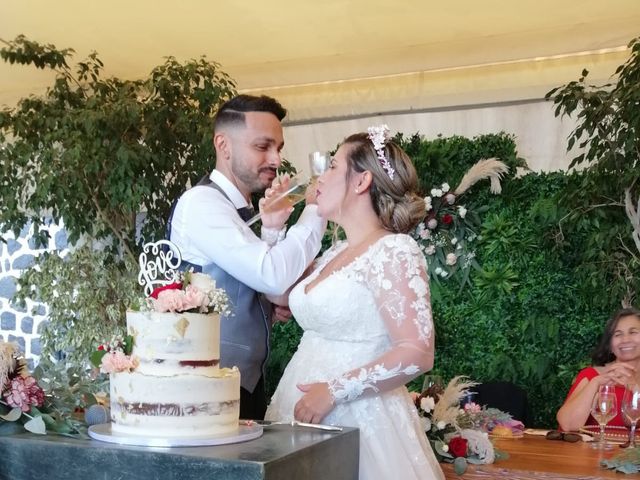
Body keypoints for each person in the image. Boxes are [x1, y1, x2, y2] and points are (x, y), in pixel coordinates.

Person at [265, 125, 444, 480]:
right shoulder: (336, 251)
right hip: (296, 413)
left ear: (361, 182)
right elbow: (277, 293)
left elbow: (418, 351)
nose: (322, 176)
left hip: (358, 416)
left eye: (332, 165)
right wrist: (272, 229)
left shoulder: (393, 250)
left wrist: (334, 391)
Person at [169, 94, 326, 420]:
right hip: (205, 388)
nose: (275, 158)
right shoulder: (202, 204)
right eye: (262, 146)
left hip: (246, 383)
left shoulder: (248, 212)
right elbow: (271, 274)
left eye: (279, 148)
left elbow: (270, 285)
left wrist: (269, 301)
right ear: (223, 145)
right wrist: (315, 210)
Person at [556, 307, 640, 431]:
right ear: (610, 346)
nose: (625, 340)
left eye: (633, 332)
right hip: (592, 450)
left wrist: (635, 387)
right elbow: (568, 425)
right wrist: (595, 383)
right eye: (618, 334)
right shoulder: (591, 375)